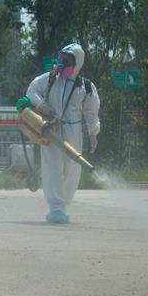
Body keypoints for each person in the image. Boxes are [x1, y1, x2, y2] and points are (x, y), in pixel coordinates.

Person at [26, 43, 100, 224]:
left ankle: (63, 204)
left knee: (73, 169)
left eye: (68, 60)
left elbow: (92, 113)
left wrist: (93, 133)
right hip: (51, 129)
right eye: (62, 59)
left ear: (78, 63)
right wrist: (43, 106)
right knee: (52, 167)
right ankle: (56, 207)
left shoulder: (86, 87)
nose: (64, 63)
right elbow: (32, 91)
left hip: (73, 131)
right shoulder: (49, 79)